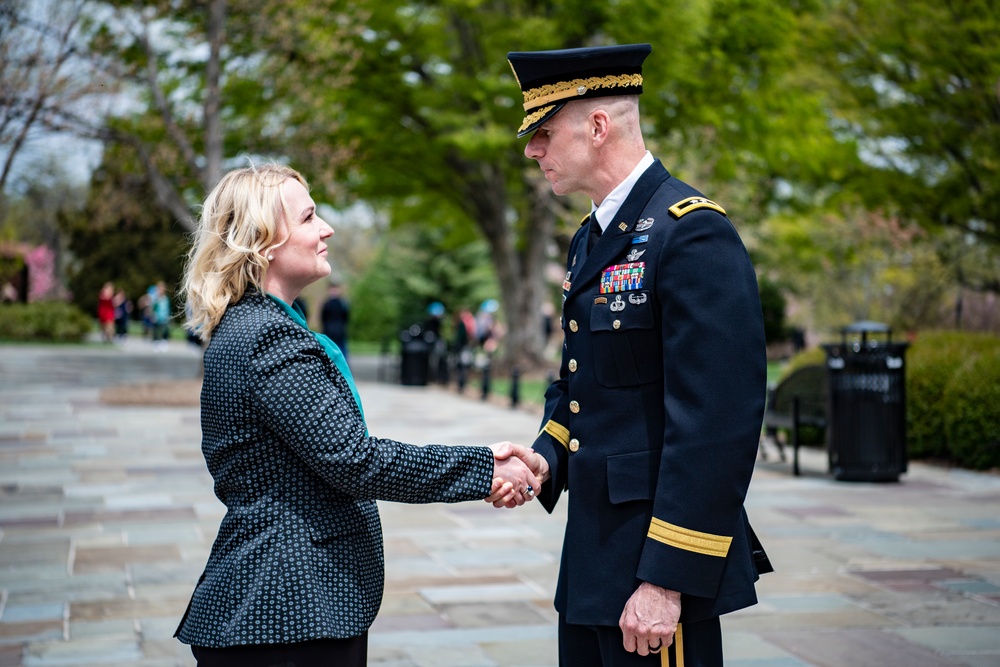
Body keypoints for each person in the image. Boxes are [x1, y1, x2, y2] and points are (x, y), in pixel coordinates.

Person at [173, 163, 540, 667]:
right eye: (308, 218)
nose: (326, 229)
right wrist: (486, 468)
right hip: (286, 610)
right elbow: (354, 460)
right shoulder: (267, 338)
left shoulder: (258, 327)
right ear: (262, 242)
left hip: (290, 608)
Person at [505, 44, 772, 667]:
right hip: (596, 559)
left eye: (543, 133)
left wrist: (667, 580)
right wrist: (545, 457)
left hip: (655, 570)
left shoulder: (691, 231)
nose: (531, 150)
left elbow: (716, 424)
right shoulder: (592, 236)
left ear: (597, 128)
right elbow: (583, 383)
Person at [320, 280, 350, 359]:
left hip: (340, 332)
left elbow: (346, 317)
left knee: (342, 353)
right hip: (329, 331)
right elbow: (323, 318)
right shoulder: (327, 304)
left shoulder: (343, 303)